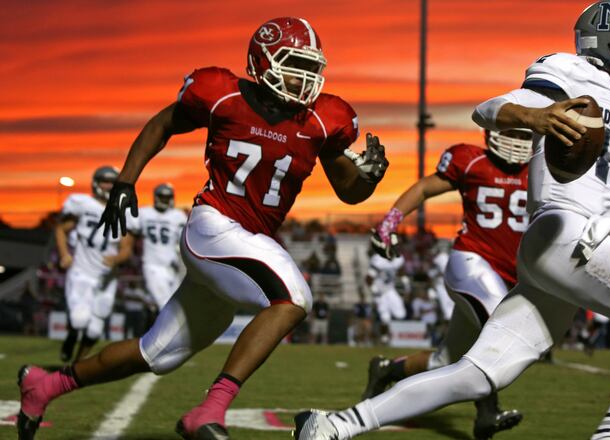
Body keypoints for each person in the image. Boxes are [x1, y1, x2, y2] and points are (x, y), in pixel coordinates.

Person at [293, 1, 610, 439]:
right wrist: (538, 116)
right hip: (570, 232)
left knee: (477, 374)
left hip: (564, 254)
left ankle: (334, 425)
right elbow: (488, 110)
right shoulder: (571, 74)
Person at [17, 17, 388, 440]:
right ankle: (209, 411)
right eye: (292, 64)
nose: (303, 77)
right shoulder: (222, 93)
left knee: (156, 353)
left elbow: (349, 192)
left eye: (310, 67)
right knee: (293, 297)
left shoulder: (323, 120)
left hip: (248, 242)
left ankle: (45, 385)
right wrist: (126, 180)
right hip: (213, 224)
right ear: (262, 60)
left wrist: (369, 178)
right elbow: (162, 124)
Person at [360, 128, 533, 439]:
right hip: (471, 263)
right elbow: (425, 188)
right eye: (510, 132)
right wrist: (390, 221)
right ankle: (487, 412)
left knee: (446, 359)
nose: (517, 142)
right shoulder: (470, 160)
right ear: (491, 131)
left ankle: (387, 369)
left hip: (508, 276)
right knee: (497, 325)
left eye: (524, 134)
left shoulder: (540, 168)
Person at [54, 165, 135, 363]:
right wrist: (64, 254)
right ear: (96, 183)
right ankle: (72, 335)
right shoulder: (82, 204)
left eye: (111, 182)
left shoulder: (124, 212)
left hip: (106, 278)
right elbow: (60, 229)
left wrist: (116, 258)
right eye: (104, 181)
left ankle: (77, 365)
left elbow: (127, 247)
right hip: (81, 271)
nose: (108, 186)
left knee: (95, 328)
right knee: (79, 320)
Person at [136, 183, 187, 311]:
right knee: (165, 305)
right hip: (152, 265)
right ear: (156, 197)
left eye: (167, 197)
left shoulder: (178, 216)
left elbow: (183, 242)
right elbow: (131, 234)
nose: (164, 199)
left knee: (175, 304)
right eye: (162, 196)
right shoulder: (144, 213)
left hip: (173, 267)